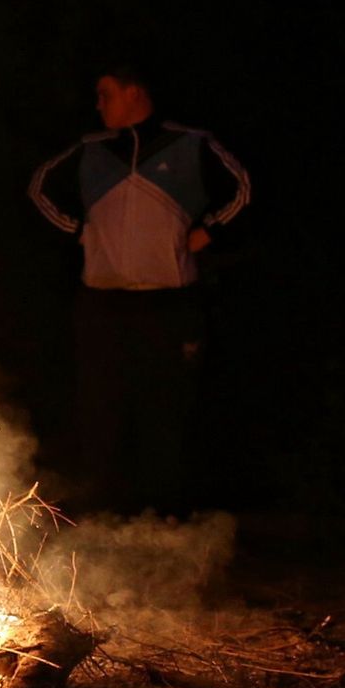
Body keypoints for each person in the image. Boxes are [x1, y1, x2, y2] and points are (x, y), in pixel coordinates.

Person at [28, 65, 251, 516]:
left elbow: (243, 188)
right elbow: (38, 187)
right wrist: (78, 231)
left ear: (134, 93)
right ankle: (104, 516)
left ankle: (165, 519)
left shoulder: (189, 143)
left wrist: (209, 231)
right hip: (102, 304)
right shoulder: (92, 148)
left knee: (167, 411)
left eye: (105, 94)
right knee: (101, 411)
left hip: (169, 304)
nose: (98, 104)